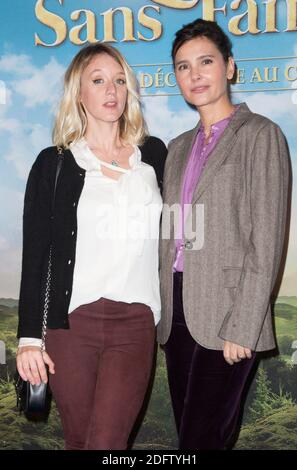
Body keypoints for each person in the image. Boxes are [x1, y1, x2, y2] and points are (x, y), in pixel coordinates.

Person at [16, 42, 167, 450]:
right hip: (71, 326)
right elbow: (36, 253)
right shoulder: (55, 163)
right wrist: (29, 337)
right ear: (78, 94)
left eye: (119, 81)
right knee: (80, 442)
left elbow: (181, 234)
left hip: (134, 323)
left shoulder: (153, 156)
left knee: (106, 444)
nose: (111, 90)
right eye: (98, 81)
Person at [157, 18, 290, 450]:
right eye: (182, 67)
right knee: (194, 433)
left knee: (201, 439)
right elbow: (170, 230)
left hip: (230, 312)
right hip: (175, 310)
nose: (194, 75)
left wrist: (245, 324)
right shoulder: (176, 147)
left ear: (229, 67)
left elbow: (266, 239)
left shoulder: (261, 135)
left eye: (205, 61)